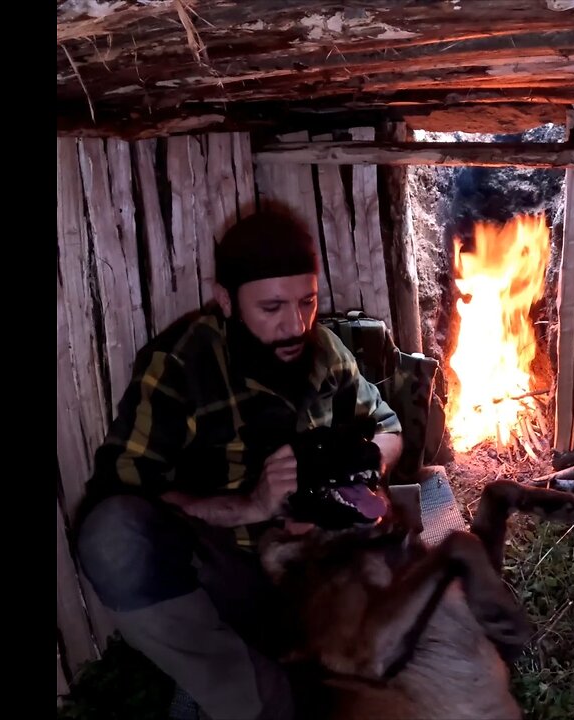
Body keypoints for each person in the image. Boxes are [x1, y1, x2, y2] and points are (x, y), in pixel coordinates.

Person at [74, 208, 405, 720]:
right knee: (111, 537)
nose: (294, 325)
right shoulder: (180, 367)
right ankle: (256, 698)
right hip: (231, 578)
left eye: (307, 302)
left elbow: (388, 429)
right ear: (225, 300)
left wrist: (357, 480)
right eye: (271, 307)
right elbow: (122, 494)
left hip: (320, 563)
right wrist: (251, 505)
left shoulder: (326, 351)